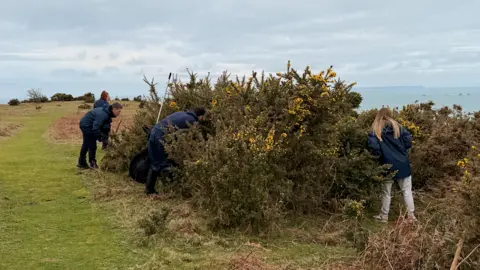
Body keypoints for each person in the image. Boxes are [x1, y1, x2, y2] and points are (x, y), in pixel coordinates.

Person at [367, 107, 416, 223]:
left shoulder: (375, 130)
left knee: (386, 192)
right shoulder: (398, 127)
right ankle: (411, 217)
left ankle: (384, 216)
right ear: (390, 115)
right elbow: (409, 141)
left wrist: (379, 157)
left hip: (386, 164)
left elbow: (374, 148)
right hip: (402, 163)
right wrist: (402, 151)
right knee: (407, 191)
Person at [145, 107, 206, 197]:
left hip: (154, 131)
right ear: (200, 116)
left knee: (155, 162)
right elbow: (197, 137)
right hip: (161, 136)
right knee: (164, 163)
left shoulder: (180, 112)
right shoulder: (192, 120)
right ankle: (174, 188)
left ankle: (150, 189)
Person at [78, 103, 123, 169]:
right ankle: (93, 164)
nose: (119, 113)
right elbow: (95, 128)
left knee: (86, 144)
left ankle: (81, 162)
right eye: (119, 111)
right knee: (92, 145)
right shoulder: (103, 115)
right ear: (114, 109)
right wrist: (101, 138)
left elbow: (105, 127)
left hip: (87, 123)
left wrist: (105, 138)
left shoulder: (107, 113)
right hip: (87, 125)